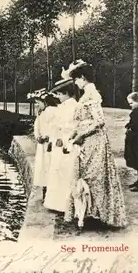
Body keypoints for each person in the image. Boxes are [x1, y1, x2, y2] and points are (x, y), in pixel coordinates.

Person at [61, 59, 127, 229]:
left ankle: (98, 214)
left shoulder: (92, 94)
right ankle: (89, 213)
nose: (75, 83)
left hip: (94, 141)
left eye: (76, 79)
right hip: (86, 141)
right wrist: (75, 135)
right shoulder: (86, 94)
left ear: (83, 77)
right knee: (85, 176)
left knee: (94, 176)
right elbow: (83, 120)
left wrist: (80, 134)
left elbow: (99, 121)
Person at [44, 79, 79, 212]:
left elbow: (71, 126)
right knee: (57, 170)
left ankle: (63, 204)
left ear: (66, 93)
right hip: (58, 141)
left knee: (64, 172)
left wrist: (63, 139)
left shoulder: (72, 106)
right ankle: (55, 203)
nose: (57, 97)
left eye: (59, 94)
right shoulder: (64, 106)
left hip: (65, 142)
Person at [27, 88, 59, 202]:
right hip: (43, 145)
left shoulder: (52, 111)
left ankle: (50, 194)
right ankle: (45, 192)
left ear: (45, 102)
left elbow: (56, 128)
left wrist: (48, 137)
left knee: (49, 167)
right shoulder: (41, 113)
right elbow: (37, 127)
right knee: (44, 168)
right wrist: (38, 137)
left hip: (50, 144)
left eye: (38, 103)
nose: (37, 105)